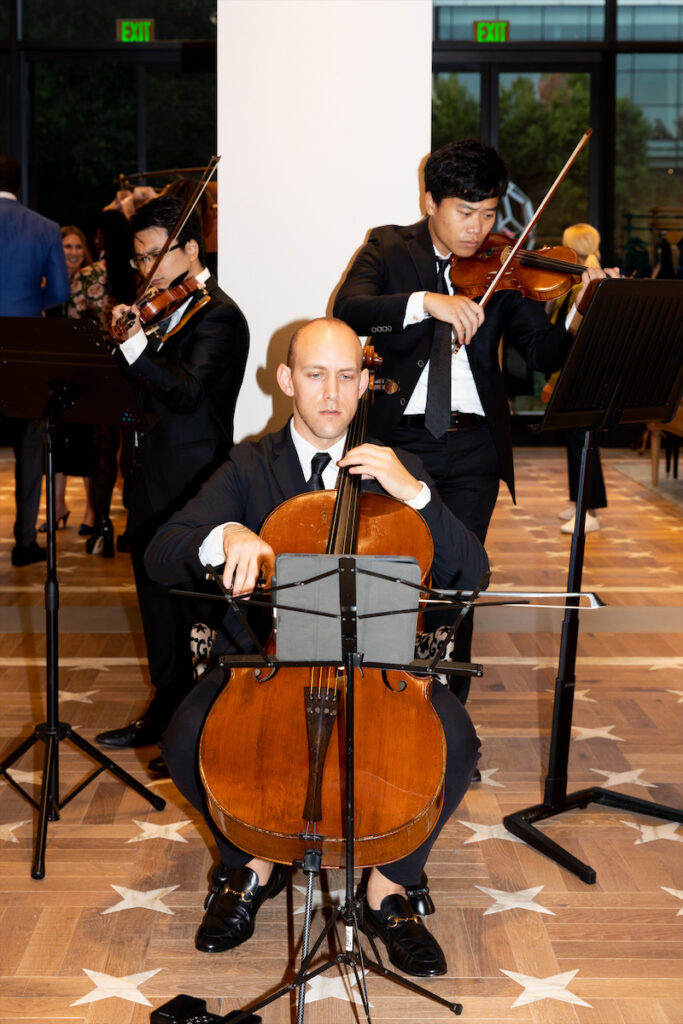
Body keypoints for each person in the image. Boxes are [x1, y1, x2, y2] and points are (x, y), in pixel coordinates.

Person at [144, 317, 488, 976]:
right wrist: (227, 536)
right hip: (263, 665)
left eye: (345, 376)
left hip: (381, 665)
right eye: (313, 375)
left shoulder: (396, 469)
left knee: (457, 744)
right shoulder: (251, 464)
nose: (330, 393)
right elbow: (164, 553)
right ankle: (253, 861)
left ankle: (390, 886)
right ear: (285, 381)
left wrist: (415, 496)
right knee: (185, 740)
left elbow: (470, 574)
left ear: (365, 384)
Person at [333, 138, 617, 704]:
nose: (477, 228)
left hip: (473, 450)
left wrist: (582, 310)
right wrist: (425, 301)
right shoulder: (387, 247)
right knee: (392, 580)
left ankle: (446, 719)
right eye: (465, 212)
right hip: (397, 445)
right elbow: (348, 308)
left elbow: (543, 353)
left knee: (458, 585)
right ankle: (385, 706)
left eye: (488, 213)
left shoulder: (505, 264)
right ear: (430, 200)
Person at [94, 194, 249, 751]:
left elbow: (187, 395)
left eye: (156, 255)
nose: (147, 270)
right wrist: (120, 346)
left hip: (194, 483)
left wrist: (136, 350)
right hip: (143, 474)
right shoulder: (158, 311)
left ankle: (197, 730)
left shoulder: (220, 316)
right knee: (155, 605)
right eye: (139, 259)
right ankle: (162, 714)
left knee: (196, 613)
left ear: (190, 248)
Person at [0, 154, 71, 566]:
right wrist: (29, 305)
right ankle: (25, 541)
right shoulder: (45, 228)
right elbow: (60, 291)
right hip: (25, 347)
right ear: (19, 185)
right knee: (30, 445)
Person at [67, 209, 137, 554]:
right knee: (131, 450)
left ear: (99, 239)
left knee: (102, 451)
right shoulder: (139, 276)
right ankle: (132, 527)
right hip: (133, 371)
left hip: (99, 372)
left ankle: (101, 527)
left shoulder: (86, 276)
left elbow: (73, 325)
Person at [544, 223, 608, 534]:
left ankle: (589, 512)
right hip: (584, 371)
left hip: (585, 372)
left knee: (583, 441)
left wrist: (555, 379)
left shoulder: (588, 283)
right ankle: (579, 503)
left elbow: (574, 337)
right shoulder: (580, 279)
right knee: (575, 440)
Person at [40, 225, 96, 536]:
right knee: (56, 440)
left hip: (85, 373)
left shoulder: (92, 283)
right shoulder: (49, 285)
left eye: (77, 247)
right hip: (56, 373)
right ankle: (57, 506)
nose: (72, 252)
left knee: (86, 443)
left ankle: (90, 509)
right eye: (66, 247)